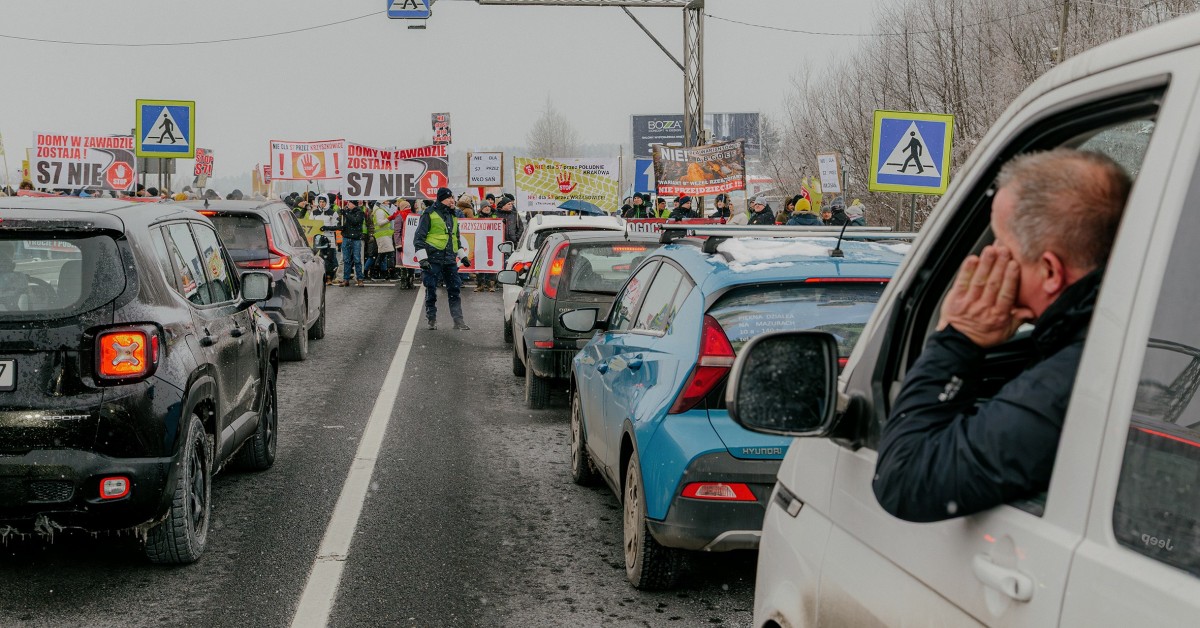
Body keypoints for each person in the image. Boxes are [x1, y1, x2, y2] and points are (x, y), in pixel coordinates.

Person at [872, 148, 1131, 523]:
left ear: (1049, 272)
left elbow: (905, 478)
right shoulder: (1126, 329)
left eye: (1001, 244)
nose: (989, 254)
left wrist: (957, 339)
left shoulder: (1074, 376)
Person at [414, 187, 471, 331]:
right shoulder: (429, 213)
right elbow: (419, 238)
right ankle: (431, 319)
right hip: (433, 258)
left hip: (450, 259)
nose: (453, 200)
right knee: (431, 288)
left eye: (453, 197)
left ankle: (458, 321)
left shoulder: (453, 215)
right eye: (449, 198)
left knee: (454, 289)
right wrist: (423, 259)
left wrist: (462, 256)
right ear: (442, 199)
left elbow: (455, 238)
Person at [332, 198, 371, 287]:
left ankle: (359, 279)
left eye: (349, 202)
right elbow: (341, 225)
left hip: (356, 238)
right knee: (346, 259)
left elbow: (355, 221)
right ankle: (346, 279)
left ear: (354, 204)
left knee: (357, 259)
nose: (348, 204)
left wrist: (346, 214)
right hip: (346, 238)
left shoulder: (359, 212)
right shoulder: (345, 212)